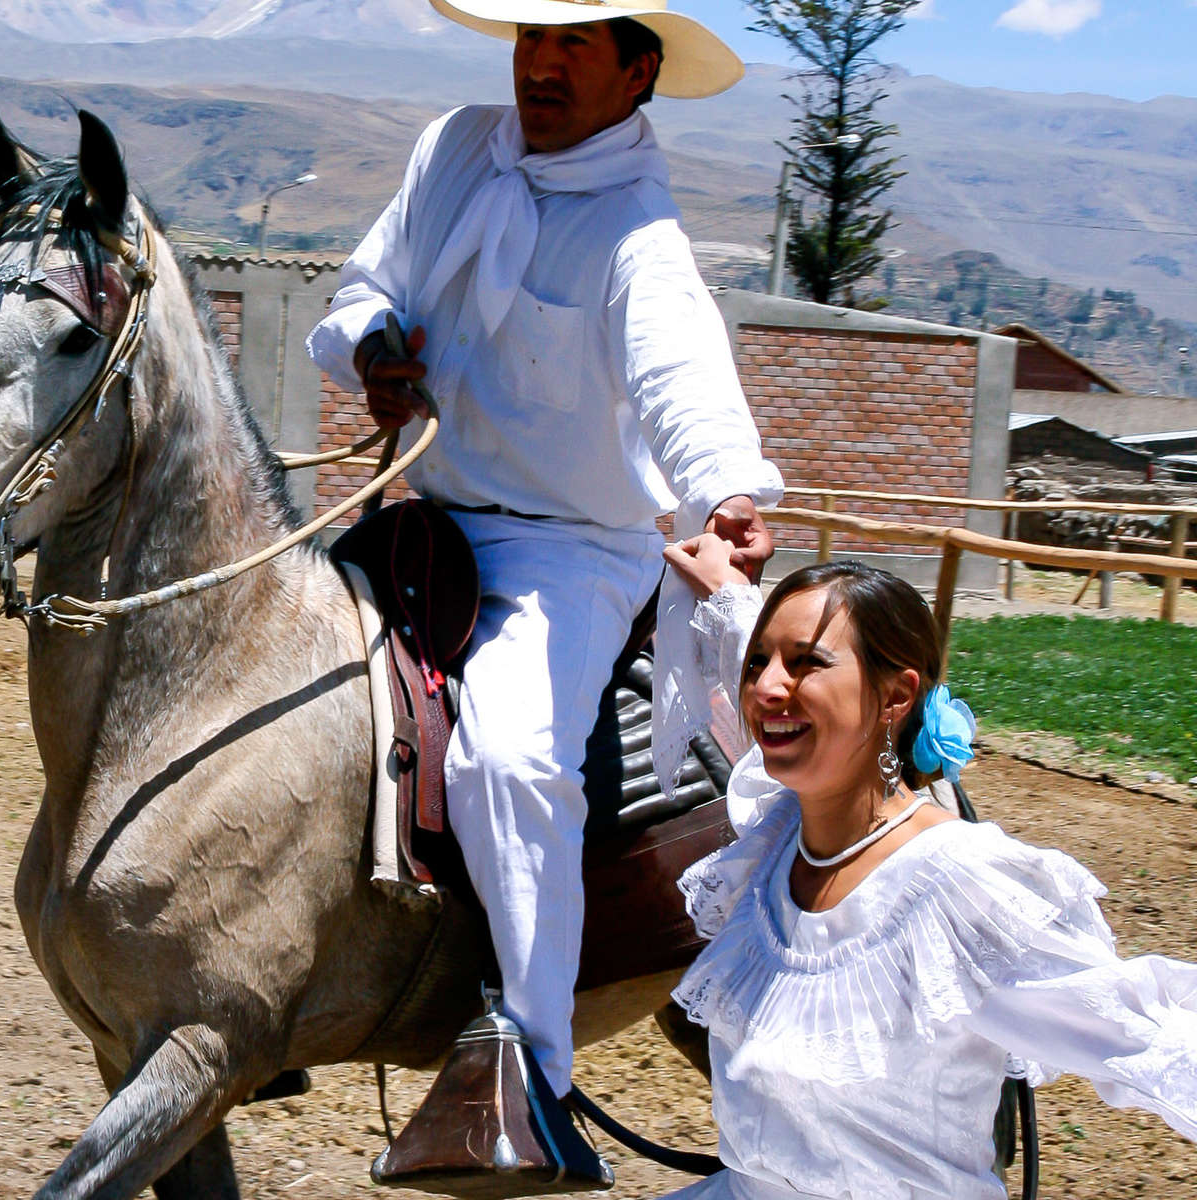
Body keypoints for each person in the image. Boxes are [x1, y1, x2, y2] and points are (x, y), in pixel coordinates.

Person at [306, 0, 784, 1116]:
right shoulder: (455, 146)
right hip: (425, 523)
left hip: (569, 552)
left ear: (639, 73)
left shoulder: (641, 237)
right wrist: (379, 347)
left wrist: (727, 487)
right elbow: (366, 284)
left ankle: (526, 1076)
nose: (544, 64)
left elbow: (682, 383)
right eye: (532, 39)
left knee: (507, 762)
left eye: (575, 44)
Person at [656, 538, 1197, 1199]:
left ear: (896, 695)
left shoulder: (963, 888)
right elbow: (769, 676)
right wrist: (725, 586)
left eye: (806, 663)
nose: (768, 686)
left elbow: (1150, 1037)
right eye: (760, 664)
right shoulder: (775, 837)